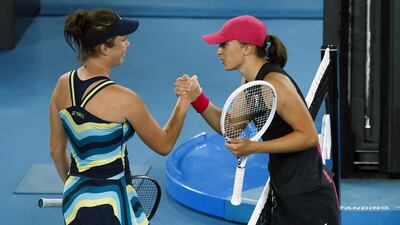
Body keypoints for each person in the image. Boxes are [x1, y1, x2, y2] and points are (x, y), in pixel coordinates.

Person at [175, 15, 339, 225]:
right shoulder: (251, 83)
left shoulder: (275, 84)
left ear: (247, 48)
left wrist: (253, 148)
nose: (218, 51)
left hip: (309, 196)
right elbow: (229, 126)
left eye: (224, 44)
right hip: (286, 188)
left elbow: (308, 137)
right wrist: (198, 98)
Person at [49, 8, 192, 225]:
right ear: (104, 48)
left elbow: (56, 151)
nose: (128, 44)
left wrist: (76, 188)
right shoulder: (125, 99)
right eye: (123, 39)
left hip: (75, 200)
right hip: (114, 205)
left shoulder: (62, 84)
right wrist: (184, 102)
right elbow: (164, 144)